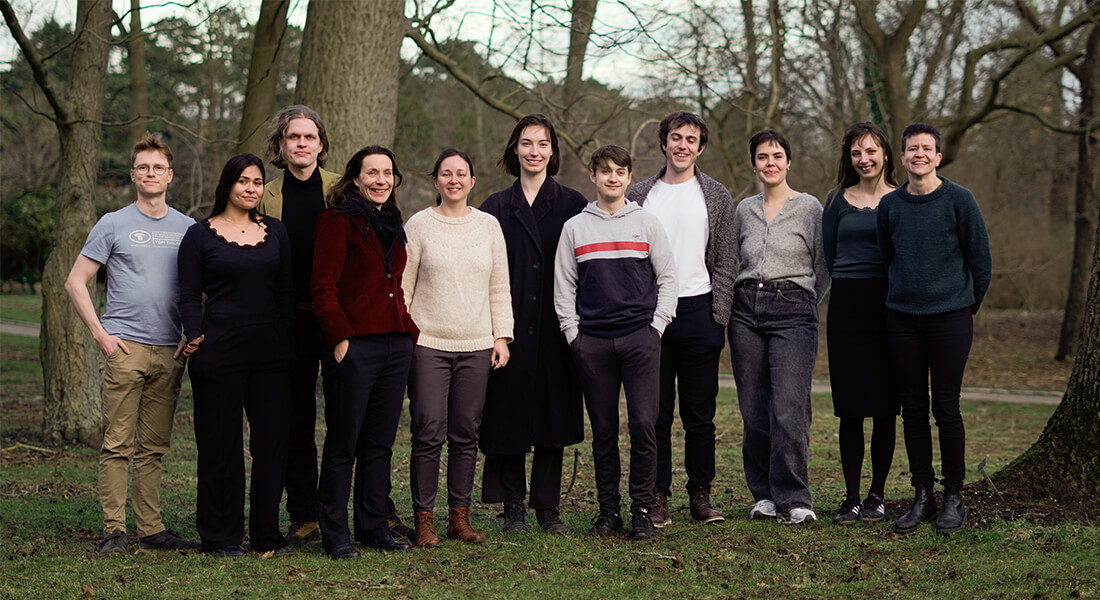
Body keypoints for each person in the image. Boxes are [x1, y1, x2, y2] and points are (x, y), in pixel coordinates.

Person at [65, 133, 200, 554]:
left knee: (155, 448)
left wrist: (194, 335)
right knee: (118, 443)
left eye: (158, 167)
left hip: (169, 351)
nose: (150, 173)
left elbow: (204, 289)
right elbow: (75, 281)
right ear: (133, 175)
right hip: (125, 350)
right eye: (143, 167)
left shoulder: (188, 228)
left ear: (170, 175)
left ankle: (152, 529)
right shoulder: (113, 223)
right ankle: (114, 531)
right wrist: (101, 336)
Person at [554, 145, 677, 540]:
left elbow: (669, 279)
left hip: (640, 340)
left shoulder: (647, 222)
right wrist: (575, 336)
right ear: (593, 175)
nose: (612, 177)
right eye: (605, 171)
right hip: (593, 344)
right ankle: (608, 512)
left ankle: (642, 508)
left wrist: (656, 326)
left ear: (628, 177)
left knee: (644, 426)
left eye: (620, 172)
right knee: (604, 431)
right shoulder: (576, 227)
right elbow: (563, 287)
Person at [177, 154, 294, 556]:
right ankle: (221, 537)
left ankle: (267, 535)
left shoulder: (275, 232)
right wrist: (194, 333)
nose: (251, 188)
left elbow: (287, 293)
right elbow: (189, 295)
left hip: (272, 355)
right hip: (218, 353)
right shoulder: (200, 234)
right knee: (219, 447)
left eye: (258, 181)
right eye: (243, 180)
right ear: (227, 185)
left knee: (272, 445)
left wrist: (287, 340)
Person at [878, 123, 991, 534]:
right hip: (902, 319)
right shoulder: (891, 206)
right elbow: (887, 257)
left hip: (950, 318)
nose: (919, 154)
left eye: (927, 148)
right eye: (912, 149)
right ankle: (922, 495)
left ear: (938, 157)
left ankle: (953, 497)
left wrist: (962, 306)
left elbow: (980, 261)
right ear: (903, 158)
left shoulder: (960, 200)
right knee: (912, 410)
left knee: (946, 407)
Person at [626, 112, 736, 526]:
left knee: (700, 415)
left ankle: (700, 494)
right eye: (676, 137)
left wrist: (718, 315)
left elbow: (726, 258)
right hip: (651, 315)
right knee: (654, 414)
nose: (683, 145)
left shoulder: (716, 195)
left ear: (701, 147)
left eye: (692, 139)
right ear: (664, 143)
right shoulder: (640, 194)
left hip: (698, 310)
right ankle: (657, 495)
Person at [478, 115, 586, 534]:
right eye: (526, 143)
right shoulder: (494, 207)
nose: (534, 151)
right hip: (508, 325)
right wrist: (492, 329)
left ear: (553, 152)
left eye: (542, 144)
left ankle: (548, 507)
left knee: (552, 417)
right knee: (507, 415)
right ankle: (512, 506)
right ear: (515, 149)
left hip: (558, 327)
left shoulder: (574, 203)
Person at [311, 146, 419, 558]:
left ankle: (373, 525)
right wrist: (340, 339)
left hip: (394, 342)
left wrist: (408, 332)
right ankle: (334, 533)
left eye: (387, 173)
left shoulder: (393, 221)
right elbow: (323, 287)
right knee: (343, 444)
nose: (380, 180)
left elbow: (395, 284)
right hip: (354, 345)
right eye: (372, 173)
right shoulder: (337, 221)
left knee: (379, 444)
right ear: (355, 177)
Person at [403, 148, 513, 547]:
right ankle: (424, 521)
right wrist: (406, 336)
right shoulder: (419, 225)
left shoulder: (488, 226)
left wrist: (501, 336)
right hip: (428, 344)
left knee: (466, 433)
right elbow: (404, 286)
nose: (454, 180)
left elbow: (499, 285)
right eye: (446, 173)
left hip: (476, 344)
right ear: (436, 181)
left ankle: (459, 518)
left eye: (461, 173)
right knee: (428, 430)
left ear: (472, 181)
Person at [719, 130, 829, 525]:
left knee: (789, 406)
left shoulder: (810, 207)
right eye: (763, 156)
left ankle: (795, 497)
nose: (770, 162)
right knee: (754, 409)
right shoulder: (743, 209)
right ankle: (764, 495)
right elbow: (731, 260)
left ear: (788, 162)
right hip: (746, 310)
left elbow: (823, 266)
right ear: (754, 164)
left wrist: (802, 303)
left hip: (793, 309)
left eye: (777, 155)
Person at [257, 106, 340, 547]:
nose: (301, 144)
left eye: (309, 137)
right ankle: (304, 513)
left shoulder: (341, 190)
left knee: (346, 419)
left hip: (336, 318)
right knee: (297, 422)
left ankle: (352, 508)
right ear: (281, 144)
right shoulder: (264, 195)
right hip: (287, 320)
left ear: (321, 145)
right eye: (294, 137)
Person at [822, 122, 900, 524]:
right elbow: (830, 256)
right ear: (848, 158)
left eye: (871, 151)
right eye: (856, 153)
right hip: (847, 308)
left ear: (885, 153)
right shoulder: (836, 201)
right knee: (850, 408)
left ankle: (877, 495)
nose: (864, 159)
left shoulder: (903, 200)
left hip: (890, 307)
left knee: (886, 408)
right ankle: (851, 497)